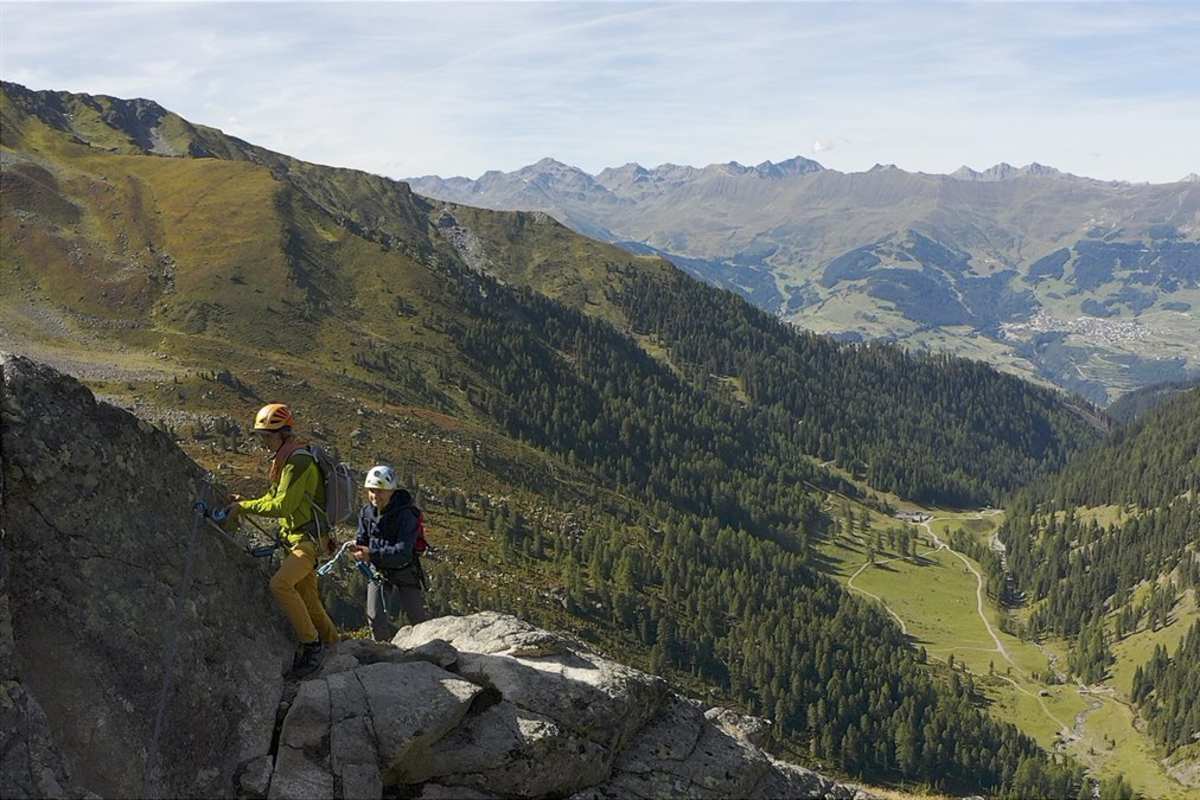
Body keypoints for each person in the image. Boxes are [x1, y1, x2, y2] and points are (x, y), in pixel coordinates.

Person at [228, 403, 338, 677]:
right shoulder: (286, 458)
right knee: (308, 598)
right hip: (303, 539)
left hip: (306, 541)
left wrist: (244, 508)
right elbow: (273, 498)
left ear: (284, 434)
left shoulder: (297, 461)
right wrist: (246, 502)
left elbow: (283, 507)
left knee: (280, 584)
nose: (264, 441)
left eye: (268, 436)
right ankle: (336, 645)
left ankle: (312, 646)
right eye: (262, 436)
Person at [354, 465, 429, 641]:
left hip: (404, 569)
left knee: (419, 621)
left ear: (391, 492)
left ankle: (434, 653)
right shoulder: (366, 513)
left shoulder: (406, 515)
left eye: (380, 491)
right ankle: (383, 653)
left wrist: (370, 554)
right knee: (374, 616)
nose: (375, 495)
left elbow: (402, 552)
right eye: (372, 490)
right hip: (379, 571)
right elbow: (362, 538)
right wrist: (359, 549)